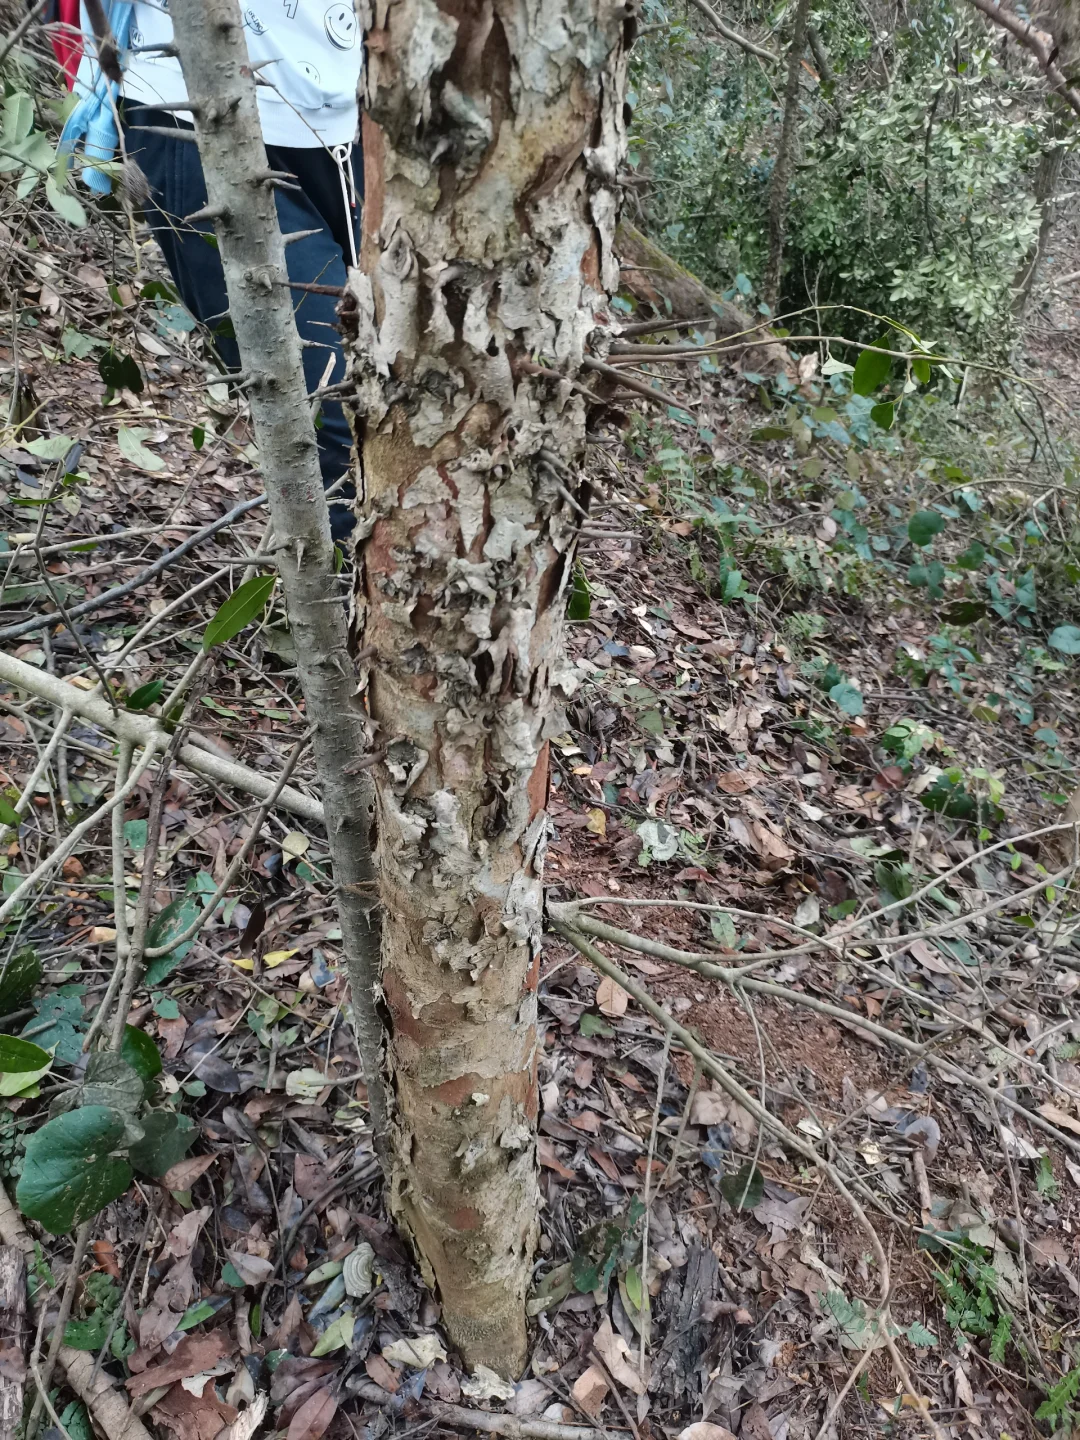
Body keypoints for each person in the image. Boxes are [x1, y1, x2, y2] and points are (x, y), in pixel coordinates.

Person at [66, 0, 362, 541]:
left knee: (409, 372)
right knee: (326, 406)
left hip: (374, 107)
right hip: (198, 108)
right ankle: (337, 609)